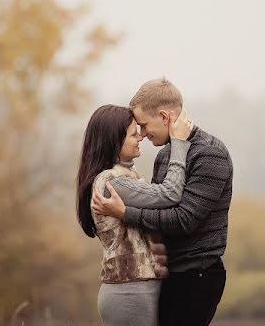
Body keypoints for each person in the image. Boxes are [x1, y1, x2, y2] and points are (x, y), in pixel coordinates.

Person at [92, 78, 233, 326]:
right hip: (169, 274)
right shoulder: (167, 155)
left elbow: (183, 220)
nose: (143, 135)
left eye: (144, 126)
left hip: (197, 275)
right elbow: (159, 208)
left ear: (164, 116)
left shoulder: (210, 154)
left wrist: (125, 213)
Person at [76, 103, 193, 326]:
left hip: (137, 289)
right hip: (129, 292)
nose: (140, 137)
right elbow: (169, 194)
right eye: (133, 134)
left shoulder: (125, 176)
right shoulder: (113, 183)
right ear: (114, 142)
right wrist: (179, 144)